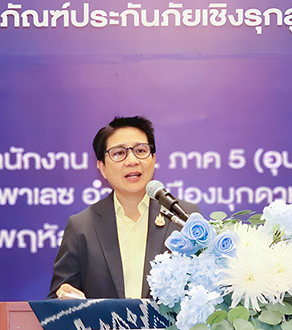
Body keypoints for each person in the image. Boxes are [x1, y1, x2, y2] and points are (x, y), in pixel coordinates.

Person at [49, 116, 199, 299]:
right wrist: (65, 298)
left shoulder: (184, 218)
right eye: (119, 153)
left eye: (140, 151)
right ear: (102, 167)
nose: (132, 161)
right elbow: (56, 300)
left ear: (153, 159)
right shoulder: (82, 227)